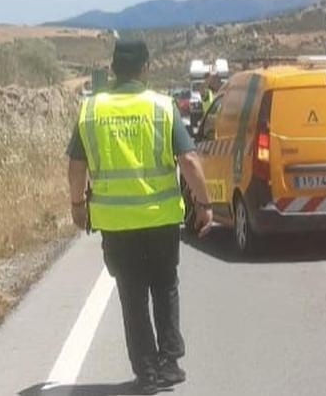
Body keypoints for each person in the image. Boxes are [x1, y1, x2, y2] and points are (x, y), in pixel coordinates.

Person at [66, 39, 213, 394]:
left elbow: (76, 165)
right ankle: (170, 363)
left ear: (113, 69)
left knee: (132, 295)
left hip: (116, 224)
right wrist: (205, 204)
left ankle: (146, 373)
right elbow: (190, 161)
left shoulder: (92, 110)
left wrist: (77, 205)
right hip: (160, 218)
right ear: (145, 68)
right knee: (165, 286)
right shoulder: (161, 107)